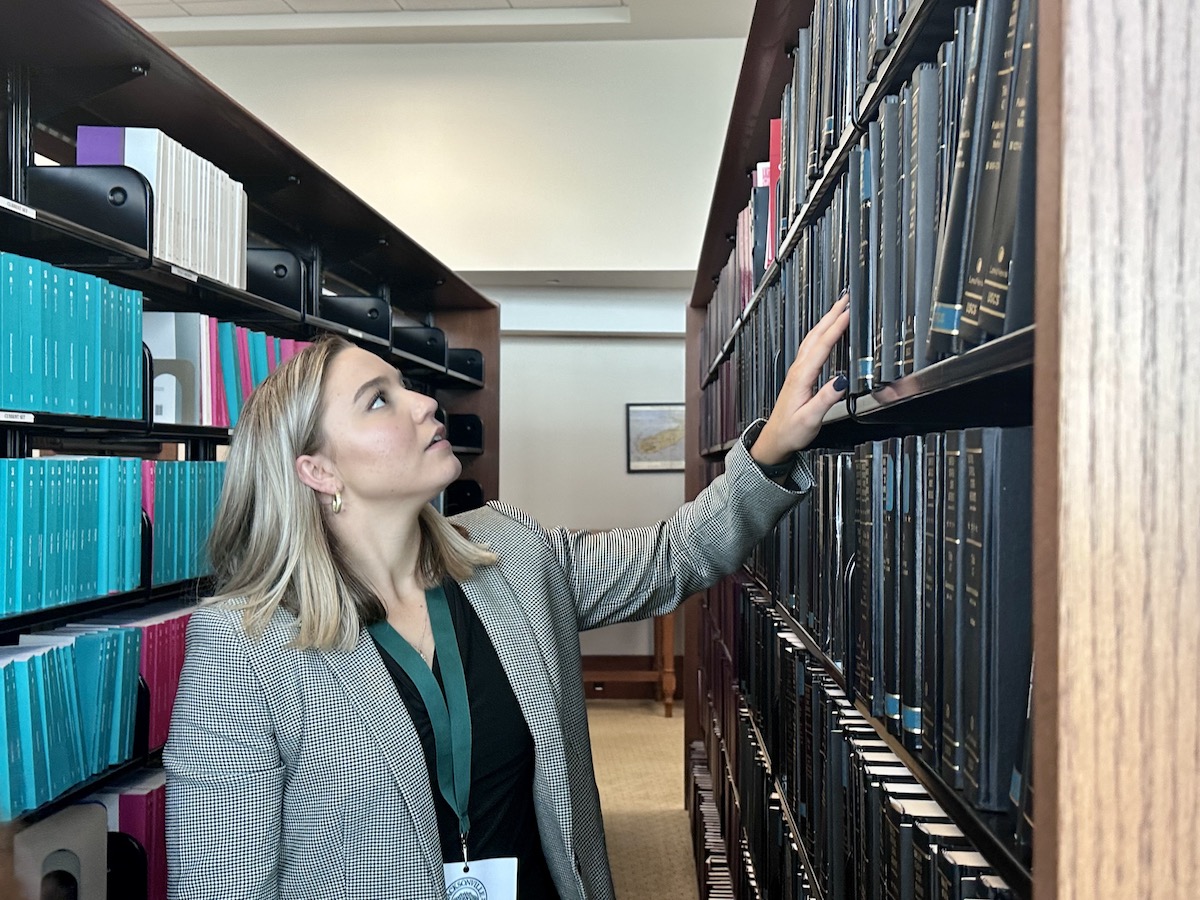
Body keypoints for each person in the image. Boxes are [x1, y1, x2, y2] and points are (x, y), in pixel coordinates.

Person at [164, 296, 851, 900]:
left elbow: (674, 554)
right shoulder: (243, 647)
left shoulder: (510, 555)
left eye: (406, 387)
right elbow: (222, 884)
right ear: (317, 470)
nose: (426, 402)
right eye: (379, 400)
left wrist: (769, 452)